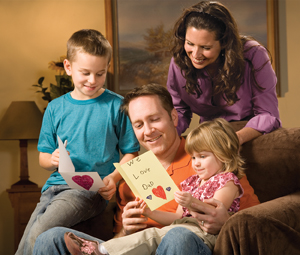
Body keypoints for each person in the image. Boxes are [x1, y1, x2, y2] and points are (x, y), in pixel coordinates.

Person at [32, 84, 259, 255]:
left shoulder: (207, 159)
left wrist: (223, 219)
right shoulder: (132, 172)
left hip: (188, 243)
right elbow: (119, 238)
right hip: (136, 248)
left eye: (154, 119)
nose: (148, 131)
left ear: (172, 116)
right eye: (139, 124)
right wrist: (126, 230)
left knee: (178, 236)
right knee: (50, 238)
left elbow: (253, 219)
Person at [16, 29, 140, 255]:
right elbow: (43, 158)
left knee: (39, 232)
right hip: (52, 188)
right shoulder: (55, 108)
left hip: (88, 190)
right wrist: (52, 158)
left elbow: (131, 153)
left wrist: (112, 178)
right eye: (85, 73)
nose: (93, 80)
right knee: (27, 237)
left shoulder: (117, 105)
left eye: (100, 73)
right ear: (68, 67)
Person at [63, 118, 245, 255]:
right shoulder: (192, 182)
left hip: (204, 236)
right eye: (194, 157)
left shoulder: (227, 181)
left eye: (202, 157)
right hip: (180, 226)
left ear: (223, 155)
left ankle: (100, 250)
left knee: (158, 236)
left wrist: (192, 202)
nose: (196, 163)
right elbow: (176, 216)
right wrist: (149, 213)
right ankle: (100, 249)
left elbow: (213, 213)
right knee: (150, 234)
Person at [167, 0, 281, 145]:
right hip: (211, 137)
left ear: (224, 43)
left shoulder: (254, 54)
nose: (195, 54)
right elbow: (179, 111)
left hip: (251, 134)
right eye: (190, 44)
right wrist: (166, 139)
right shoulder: (180, 60)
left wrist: (235, 139)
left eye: (205, 47)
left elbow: (268, 114)